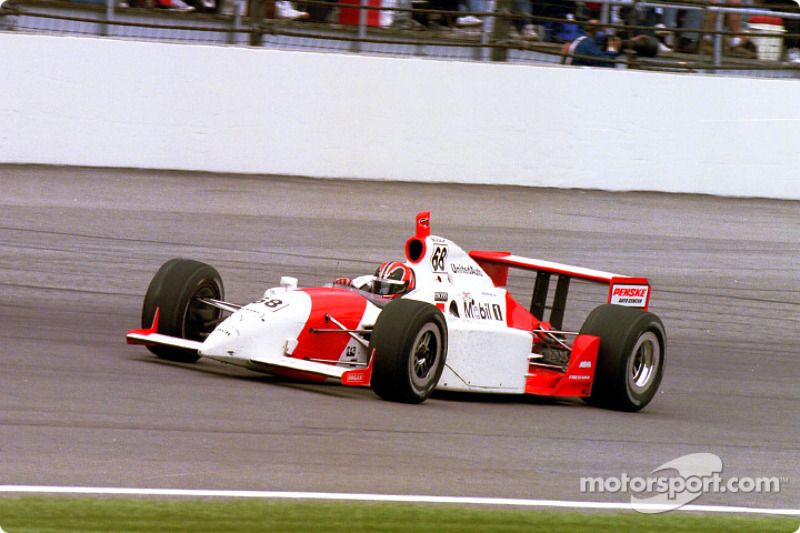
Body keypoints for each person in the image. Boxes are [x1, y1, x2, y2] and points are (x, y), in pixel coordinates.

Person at [334, 261, 416, 298]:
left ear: (400, 288)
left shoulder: (415, 298)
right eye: (378, 286)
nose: (380, 291)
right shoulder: (363, 283)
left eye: (385, 288)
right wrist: (346, 288)